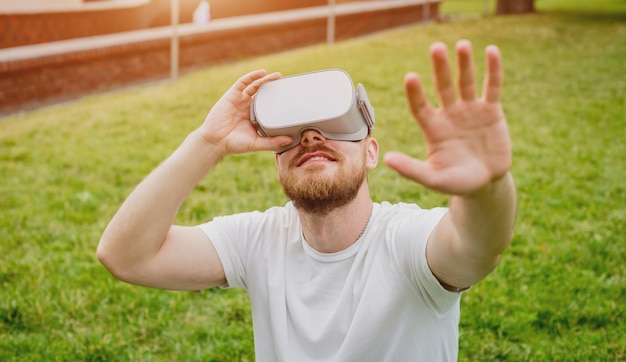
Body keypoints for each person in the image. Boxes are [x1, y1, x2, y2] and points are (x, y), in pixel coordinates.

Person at [97, 39, 517, 361]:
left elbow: (476, 245)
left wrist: (486, 188)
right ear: (277, 161)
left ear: (371, 152)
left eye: (336, 125)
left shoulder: (405, 241)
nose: (312, 137)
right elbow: (126, 255)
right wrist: (207, 143)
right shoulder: (259, 240)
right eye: (294, 133)